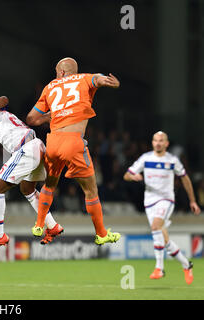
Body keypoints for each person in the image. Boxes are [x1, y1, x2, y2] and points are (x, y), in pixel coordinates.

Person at [26, 57, 120, 245]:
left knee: (50, 185)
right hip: (73, 142)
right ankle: (101, 234)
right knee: (91, 191)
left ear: (61, 72)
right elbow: (98, 79)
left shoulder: (50, 87)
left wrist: (49, 117)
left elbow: (31, 119)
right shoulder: (84, 78)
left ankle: (38, 224)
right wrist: (109, 82)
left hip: (53, 142)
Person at [0, 96, 63, 254]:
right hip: (36, 146)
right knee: (27, 189)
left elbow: (4, 98)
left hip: (26, 149)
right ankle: (53, 226)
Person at [124, 131, 201, 283]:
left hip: (166, 200)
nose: (158, 143)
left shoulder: (172, 160)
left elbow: (185, 179)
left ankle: (159, 268)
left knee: (155, 226)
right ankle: (187, 264)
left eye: (161, 140)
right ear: (152, 142)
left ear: (167, 144)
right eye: (155, 140)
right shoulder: (146, 158)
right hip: (149, 202)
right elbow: (126, 175)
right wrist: (133, 176)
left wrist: (192, 201)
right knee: (164, 239)